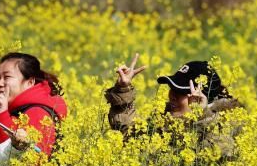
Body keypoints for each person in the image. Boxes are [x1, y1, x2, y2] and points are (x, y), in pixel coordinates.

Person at [104, 54, 243, 158]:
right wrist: (123, 89)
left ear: (204, 99)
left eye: (182, 92)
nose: (172, 95)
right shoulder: (165, 121)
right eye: (172, 88)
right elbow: (132, 137)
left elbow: (215, 155)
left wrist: (201, 117)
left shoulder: (223, 127)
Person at [0, 53, 68, 156]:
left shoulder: (38, 113)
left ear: (30, 82)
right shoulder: (16, 109)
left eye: (7, 77)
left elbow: (20, 160)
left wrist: (2, 115)